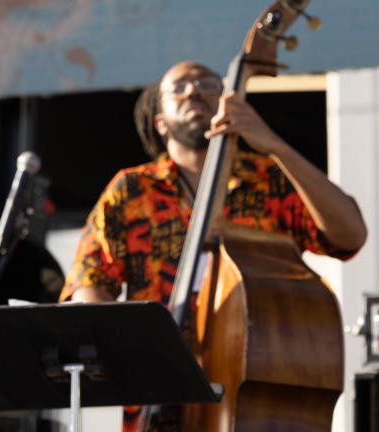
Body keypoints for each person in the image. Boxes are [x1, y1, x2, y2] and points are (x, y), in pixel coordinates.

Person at [60, 59, 367, 430]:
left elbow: (349, 236)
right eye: (179, 87)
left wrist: (272, 144)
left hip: (256, 399)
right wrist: (132, 352)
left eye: (208, 83)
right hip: (160, 398)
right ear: (160, 121)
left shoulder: (269, 180)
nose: (194, 90)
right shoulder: (130, 190)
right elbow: (89, 280)